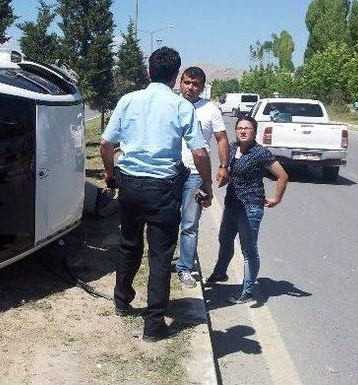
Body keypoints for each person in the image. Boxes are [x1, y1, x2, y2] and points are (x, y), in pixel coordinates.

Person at [100, 47, 213, 342]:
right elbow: (199, 152)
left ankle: (122, 300)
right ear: (176, 77)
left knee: (128, 243)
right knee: (161, 255)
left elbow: (105, 145)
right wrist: (208, 186)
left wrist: (112, 175)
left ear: (149, 71)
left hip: (130, 185)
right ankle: (153, 325)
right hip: (163, 188)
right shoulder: (181, 106)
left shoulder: (127, 101)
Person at [206, 116, 288, 303]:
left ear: (254, 131)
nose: (243, 131)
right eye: (240, 128)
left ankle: (248, 290)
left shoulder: (261, 153)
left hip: (250, 207)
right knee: (224, 240)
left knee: (248, 250)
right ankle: (220, 274)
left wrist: (277, 199)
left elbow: (282, 176)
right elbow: (227, 170)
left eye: (247, 128)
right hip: (232, 204)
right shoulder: (232, 148)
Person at [176, 67, 230, 288]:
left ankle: (185, 268)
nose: (190, 87)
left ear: (202, 87)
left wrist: (223, 165)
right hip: (168, 171)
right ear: (180, 82)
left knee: (189, 223)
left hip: (195, 174)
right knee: (165, 221)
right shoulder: (171, 105)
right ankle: (165, 260)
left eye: (195, 84)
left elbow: (221, 139)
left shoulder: (211, 110)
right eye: (187, 82)